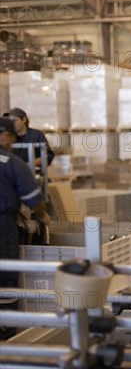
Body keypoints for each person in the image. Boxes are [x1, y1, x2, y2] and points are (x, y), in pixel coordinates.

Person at [0, 117, 50, 339]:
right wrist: (44, 215)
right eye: (11, 137)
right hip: (3, 228)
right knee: (6, 277)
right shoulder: (11, 162)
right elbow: (32, 197)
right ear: (4, 135)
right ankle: (7, 332)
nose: (11, 142)